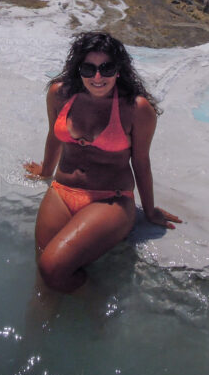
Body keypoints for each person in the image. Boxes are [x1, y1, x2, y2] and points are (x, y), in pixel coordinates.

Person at [25, 31, 181, 292]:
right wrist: (45, 171)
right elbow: (54, 135)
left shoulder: (136, 108)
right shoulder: (59, 94)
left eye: (106, 68)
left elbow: (141, 162)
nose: (98, 77)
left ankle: (94, 305)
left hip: (110, 199)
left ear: (119, 70)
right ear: (79, 70)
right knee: (44, 267)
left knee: (52, 267)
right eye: (89, 68)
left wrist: (150, 210)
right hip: (62, 192)